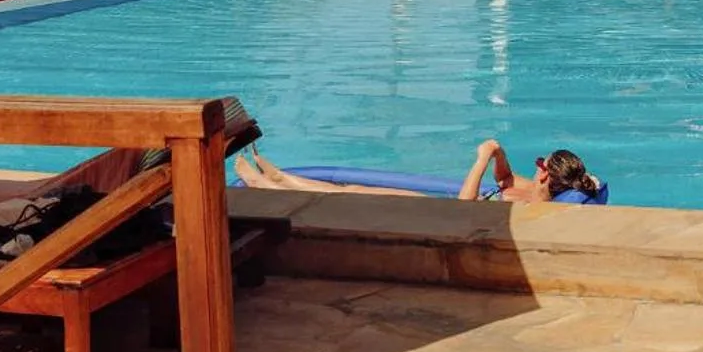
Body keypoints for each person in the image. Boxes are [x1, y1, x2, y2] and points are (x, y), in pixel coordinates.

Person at [236, 140, 600, 203]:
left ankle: (268, 185)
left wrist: (478, 160)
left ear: (543, 174)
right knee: (352, 190)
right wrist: (498, 154)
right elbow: (503, 180)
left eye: (540, 164)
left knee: (353, 194)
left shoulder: (530, 208)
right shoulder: (529, 189)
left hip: (444, 213)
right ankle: (282, 178)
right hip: (453, 206)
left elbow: (463, 207)